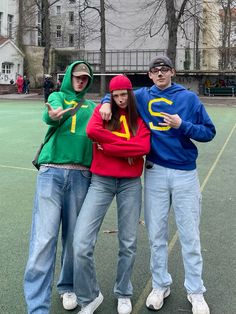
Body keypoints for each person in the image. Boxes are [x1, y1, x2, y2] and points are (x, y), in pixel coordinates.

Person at [99, 56, 216, 314]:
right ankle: (161, 284)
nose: (160, 73)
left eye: (164, 69)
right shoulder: (141, 96)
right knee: (156, 235)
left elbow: (209, 132)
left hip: (185, 173)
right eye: (155, 70)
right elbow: (118, 95)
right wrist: (107, 100)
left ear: (172, 72)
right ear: (150, 75)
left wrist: (181, 125)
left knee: (189, 234)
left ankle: (196, 291)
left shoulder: (189, 98)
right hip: (154, 171)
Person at [73, 75, 150, 314]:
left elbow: (143, 148)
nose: (119, 99)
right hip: (101, 182)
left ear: (130, 93)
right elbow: (91, 131)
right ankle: (90, 296)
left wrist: (108, 146)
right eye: (115, 96)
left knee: (128, 243)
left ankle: (123, 292)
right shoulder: (102, 112)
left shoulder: (139, 118)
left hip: (130, 184)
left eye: (123, 95)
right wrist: (124, 147)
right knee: (81, 243)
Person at [24, 61, 96, 314]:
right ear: (68, 78)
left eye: (85, 78)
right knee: (44, 239)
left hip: (81, 176)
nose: (80, 81)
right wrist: (52, 115)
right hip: (51, 173)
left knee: (74, 239)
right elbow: (50, 114)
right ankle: (37, 307)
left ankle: (67, 286)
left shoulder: (93, 106)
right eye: (77, 77)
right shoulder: (56, 96)